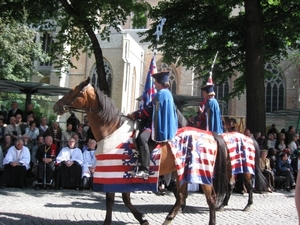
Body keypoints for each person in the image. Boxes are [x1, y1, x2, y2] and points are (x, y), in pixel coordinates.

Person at [128, 71, 178, 178]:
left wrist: (134, 115)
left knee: (142, 138)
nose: (154, 84)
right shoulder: (168, 94)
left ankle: (144, 168)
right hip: (167, 126)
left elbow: (149, 111)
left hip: (158, 127)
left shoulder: (160, 94)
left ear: (160, 83)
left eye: (155, 82)